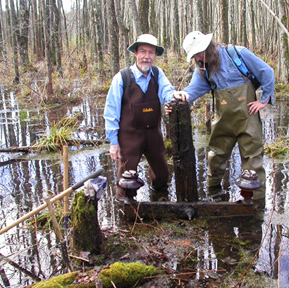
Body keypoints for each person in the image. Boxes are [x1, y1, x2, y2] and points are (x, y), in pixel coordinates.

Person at [176, 31, 275, 201]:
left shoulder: (237, 54)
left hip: (248, 118)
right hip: (223, 120)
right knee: (215, 156)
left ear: (209, 46)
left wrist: (264, 100)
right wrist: (180, 97)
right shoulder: (202, 69)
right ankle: (213, 194)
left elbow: (267, 72)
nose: (199, 58)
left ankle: (256, 205)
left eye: (200, 52)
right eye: (195, 55)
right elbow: (193, 90)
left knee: (253, 160)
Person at [103, 34, 188, 202]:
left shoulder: (157, 74)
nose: (147, 57)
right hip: (129, 137)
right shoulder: (122, 78)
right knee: (126, 179)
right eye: (143, 51)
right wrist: (113, 143)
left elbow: (166, 92)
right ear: (135, 53)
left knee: (162, 174)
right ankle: (125, 211)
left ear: (155, 56)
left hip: (153, 135)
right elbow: (111, 111)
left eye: (151, 52)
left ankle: (160, 202)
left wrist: (173, 97)